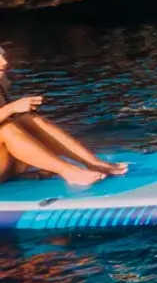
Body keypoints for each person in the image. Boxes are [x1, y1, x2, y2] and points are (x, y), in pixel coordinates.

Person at [0, 46, 127, 189]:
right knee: (6, 129)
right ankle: (68, 171)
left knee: (27, 119)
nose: (4, 62)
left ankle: (94, 163)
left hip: (7, 165)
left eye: (3, 56)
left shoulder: (2, 81)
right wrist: (11, 108)